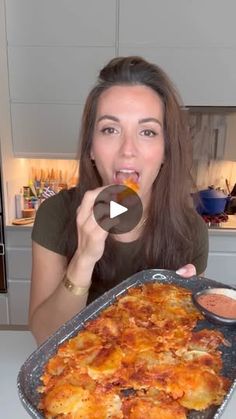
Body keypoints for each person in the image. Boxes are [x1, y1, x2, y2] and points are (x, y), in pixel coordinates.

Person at [29, 56, 208, 345]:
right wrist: (83, 259)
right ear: (91, 148)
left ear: (165, 152)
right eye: (110, 129)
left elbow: (179, 344)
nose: (128, 150)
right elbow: (44, 337)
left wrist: (181, 303)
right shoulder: (56, 213)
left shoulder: (191, 231)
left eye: (147, 132)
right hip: (75, 381)